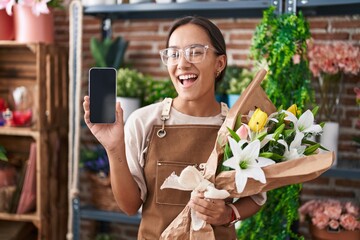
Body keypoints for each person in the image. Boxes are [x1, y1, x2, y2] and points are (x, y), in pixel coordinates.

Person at [83, 16, 266, 239]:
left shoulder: (240, 126)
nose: (182, 63)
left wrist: (228, 214)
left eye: (195, 52)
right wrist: (113, 149)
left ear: (219, 63)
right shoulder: (144, 122)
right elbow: (130, 206)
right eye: (173, 53)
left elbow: (257, 196)